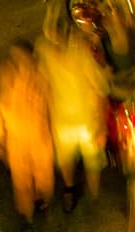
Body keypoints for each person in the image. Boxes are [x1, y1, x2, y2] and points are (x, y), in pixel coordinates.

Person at [35, 24, 110, 207]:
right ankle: (69, 188)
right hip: (61, 120)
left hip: (87, 120)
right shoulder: (43, 50)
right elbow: (42, 84)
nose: (55, 40)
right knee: (65, 159)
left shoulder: (81, 54)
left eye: (59, 33)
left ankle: (94, 195)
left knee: (92, 159)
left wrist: (101, 126)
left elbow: (99, 89)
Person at [0, 42, 54, 223]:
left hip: (39, 134)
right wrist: (1, 138)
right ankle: (28, 215)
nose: (20, 62)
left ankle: (42, 201)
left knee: (43, 174)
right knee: (21, 180)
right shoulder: (4, 76)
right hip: (17, 138)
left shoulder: (41, 75)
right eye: (16, 58)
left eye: (23, 57)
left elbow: (50, 102)